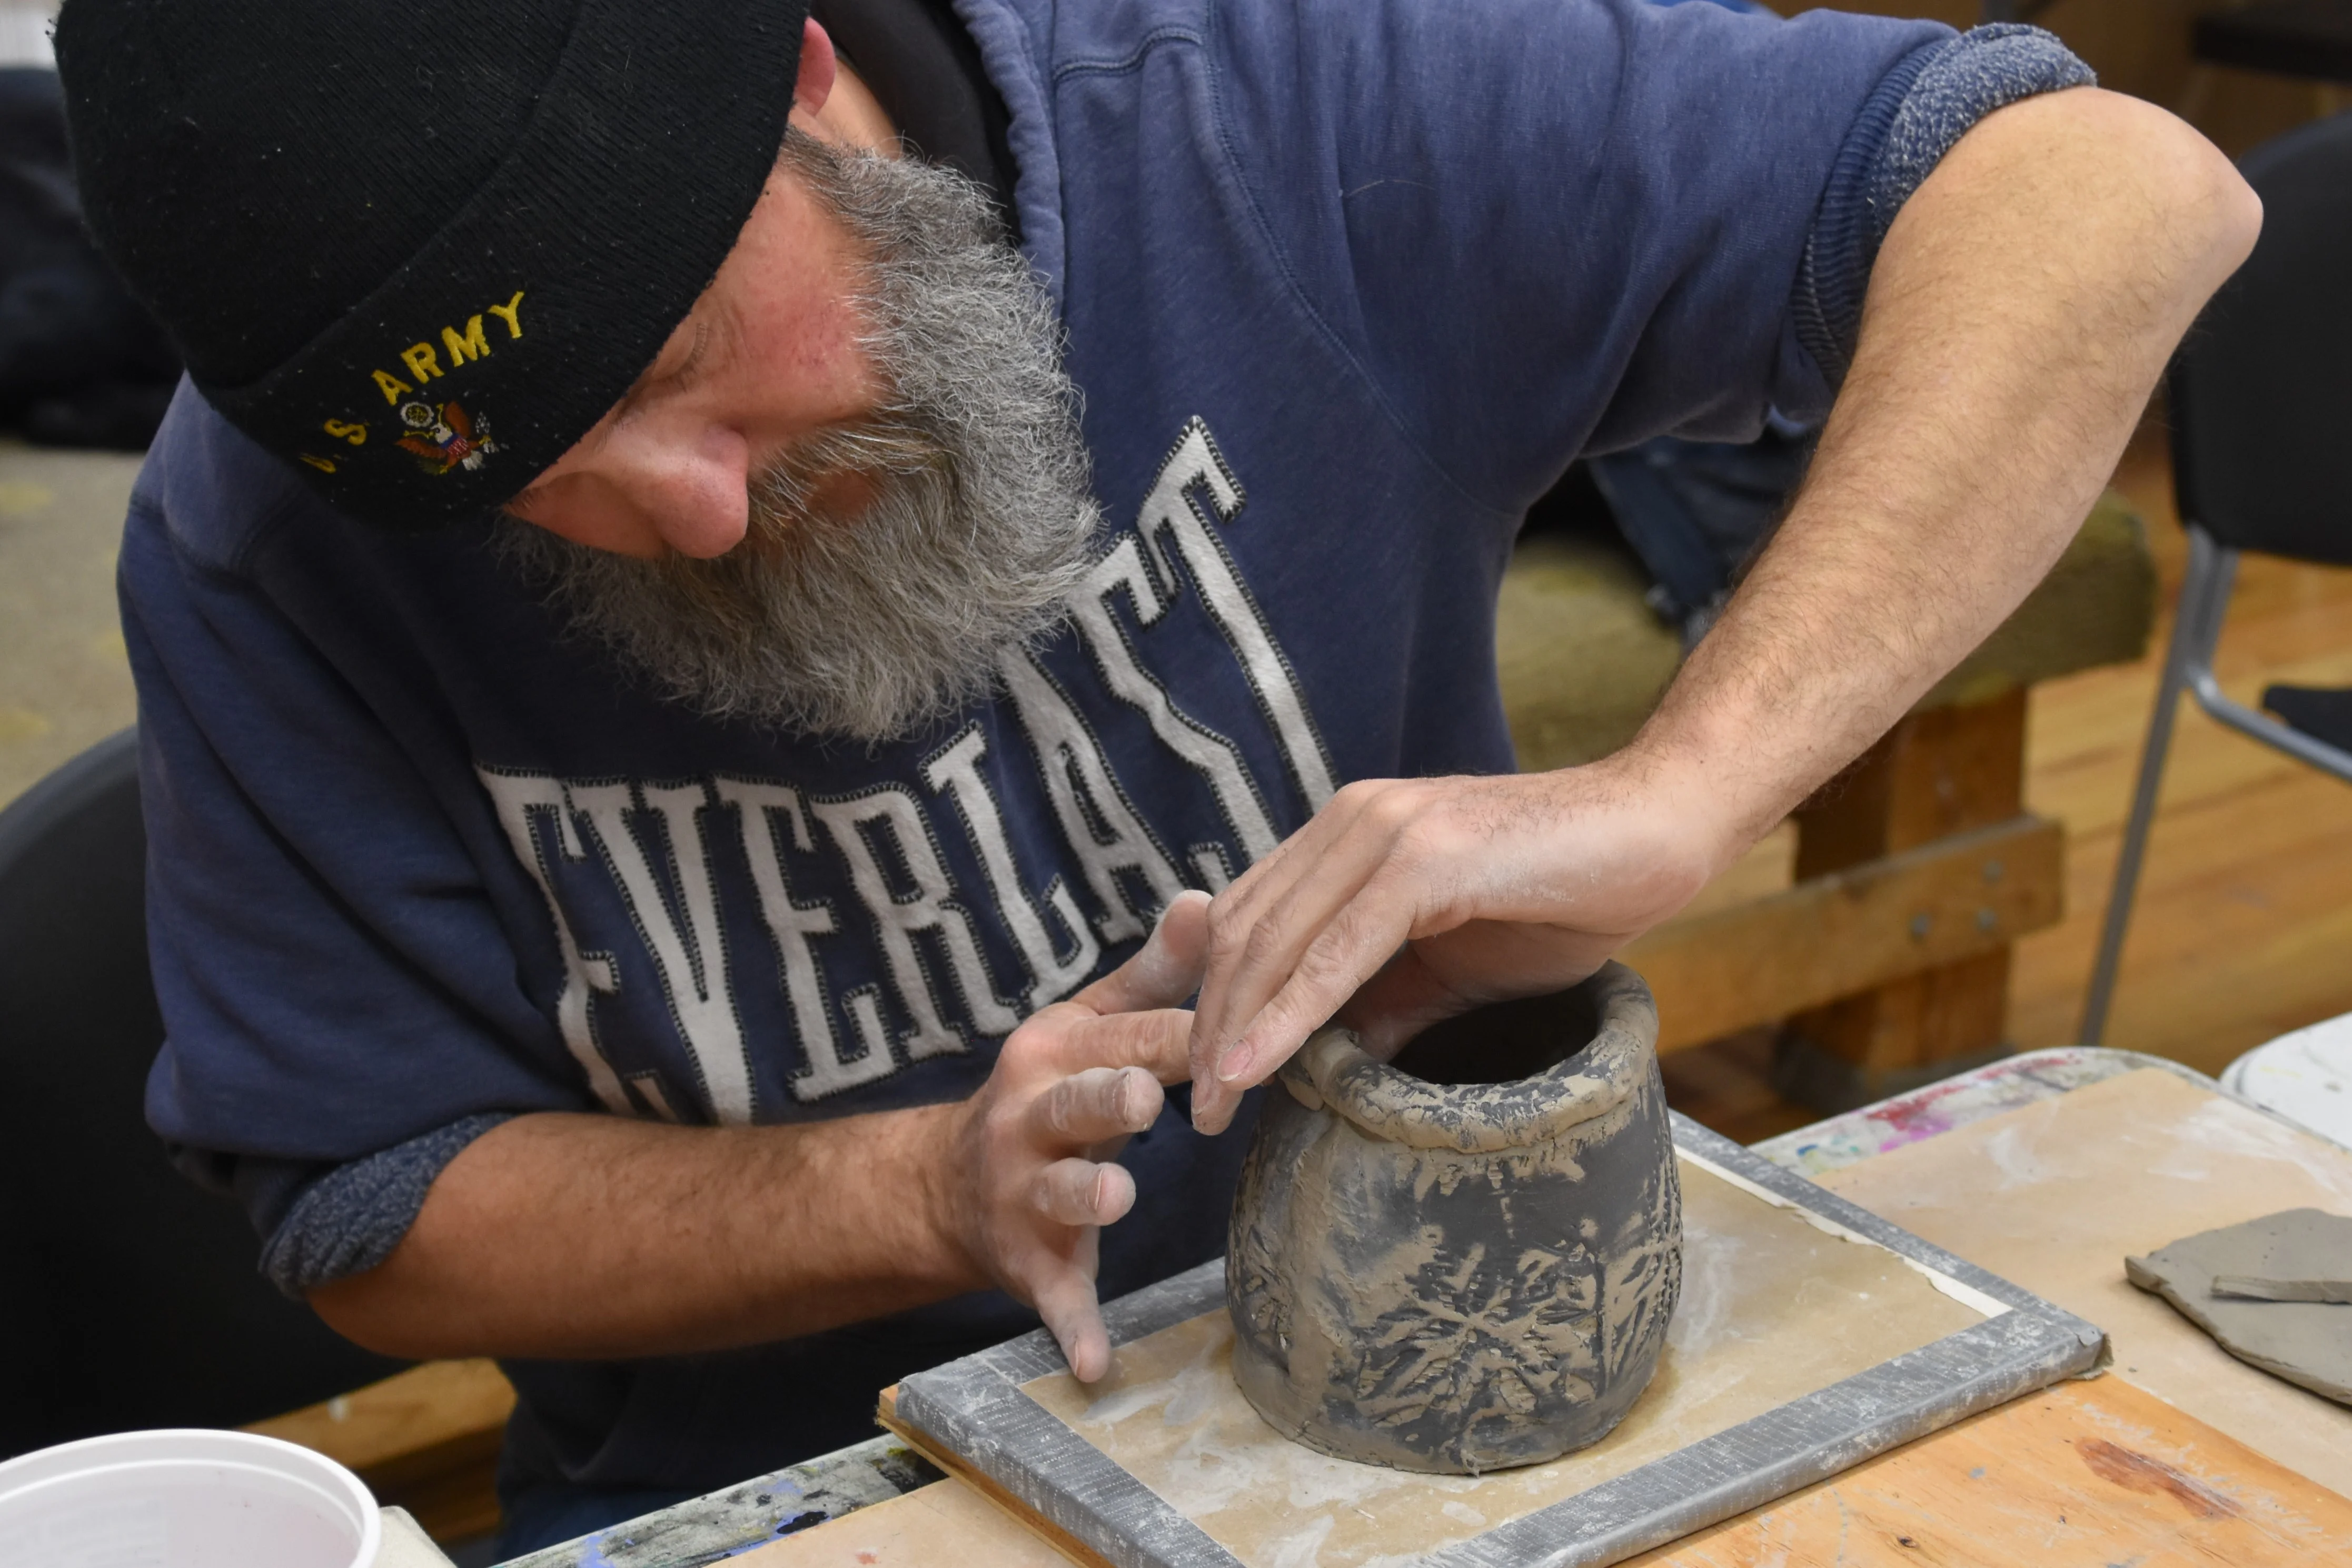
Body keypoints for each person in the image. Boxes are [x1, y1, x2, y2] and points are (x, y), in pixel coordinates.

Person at [54, 0, 2256, 1551]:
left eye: (689, 367)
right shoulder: (264, 544)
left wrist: (1688, 786)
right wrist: (921, 1195)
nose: (694, 516)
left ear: (805, 78)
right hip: (817, 1496)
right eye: (549, 485)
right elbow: (367, 1215)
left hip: (1477, 1410)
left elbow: (2104, 189)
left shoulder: (1253, 107)